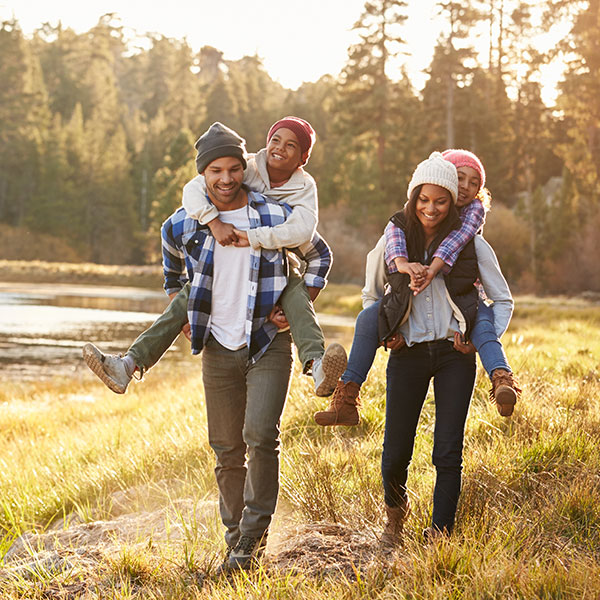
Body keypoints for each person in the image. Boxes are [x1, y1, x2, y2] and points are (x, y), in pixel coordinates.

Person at [161, 123, 331, 571]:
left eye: (234, 169)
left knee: (260, 436)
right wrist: (182, 305)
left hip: (267, 341)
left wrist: (298, 301)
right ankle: (235, 539)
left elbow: (319, 252)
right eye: (215, 170)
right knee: (225, 448)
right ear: (203, 175)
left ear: (244, 170)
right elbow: (170, 258)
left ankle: (252, 541)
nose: (226, 178)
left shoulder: (274, 214)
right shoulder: (188, 218)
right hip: (217, 344)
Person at [83, 117, 346, 398]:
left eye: (291, 145)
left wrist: (294, 302)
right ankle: (127, 365)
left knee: (295, 293)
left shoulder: (303, 190)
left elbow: (308, 234)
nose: (279, 148)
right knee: (189, 295)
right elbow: (194, 189)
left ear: (303, 157)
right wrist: (213, 222)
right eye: (275, 140)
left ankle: (317, 365)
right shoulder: (245, 167)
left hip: (278, 267)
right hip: (223, 267)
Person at [367, 152, 513, 546]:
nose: (431, 208)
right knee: (396, 448)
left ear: (452, 201)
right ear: (415, 198)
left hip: (454, 356)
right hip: (408, 353)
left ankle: (441, 533)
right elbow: (371, 296)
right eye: (424, 199)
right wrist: (387, 333)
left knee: (448, 449)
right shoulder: (394, 240)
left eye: (442, 200)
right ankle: (395, 519)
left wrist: (477, 337)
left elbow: (502, 300)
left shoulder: (472, 246)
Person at [314, 148, 519, 427]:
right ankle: (346, 396)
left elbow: (457, 244)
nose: (466, 188)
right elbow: (374, 285)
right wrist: (389, 328)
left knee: (483, 323)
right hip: (408, 334)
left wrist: (432, 269)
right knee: (366, 318)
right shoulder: (399, 227)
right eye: (460, 179)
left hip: (463, 310)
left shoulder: (470, 226)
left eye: (474, 183)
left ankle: (501, 378)